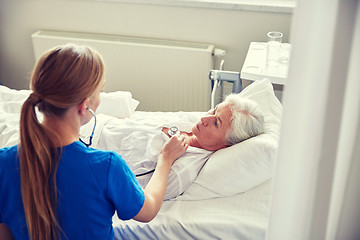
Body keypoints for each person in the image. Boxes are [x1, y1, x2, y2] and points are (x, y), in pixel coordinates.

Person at [0, 44, 187, 240]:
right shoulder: (106, 166)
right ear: (84, 106)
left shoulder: (3, 164)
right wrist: (166, 158)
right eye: (100, 91)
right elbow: (148, 211)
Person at [95, 95, 265, 200]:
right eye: (214, 110)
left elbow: (138, 196)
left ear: (225, 145)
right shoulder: (192, 124)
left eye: (216, 122)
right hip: (98, 122)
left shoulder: (181, 171)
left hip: (88, 147)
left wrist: (166, 157)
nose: (205, 118)